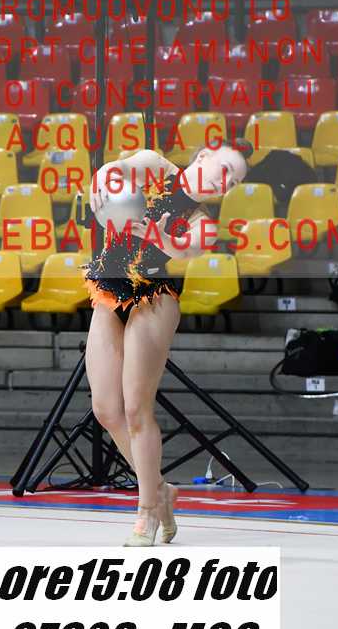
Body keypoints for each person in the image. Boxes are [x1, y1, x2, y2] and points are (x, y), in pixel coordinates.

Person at [80, 139, 252, 546]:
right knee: (105, 409)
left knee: (136, 408)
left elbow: (186, 248)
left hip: (155, 298)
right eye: (225, 170)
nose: (225, 184)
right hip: (109, 290)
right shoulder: (155, 166)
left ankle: (146, 511)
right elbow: (115, 170)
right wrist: (101, 183)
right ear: (204, 156)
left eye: (234, 183)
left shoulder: (202, 221)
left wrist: (159, 235)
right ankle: (161, 490)